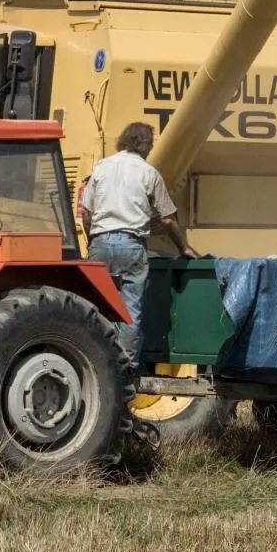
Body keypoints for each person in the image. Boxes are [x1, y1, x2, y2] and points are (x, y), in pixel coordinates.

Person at [77, 121, 198, 367]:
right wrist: (183, 247)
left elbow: (86, 213)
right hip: (132, 245)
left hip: (100, 243)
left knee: (97, 309)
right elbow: (167, 219)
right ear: (145, 145)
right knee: (130, 310)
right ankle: (125, 370)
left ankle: (95, 365)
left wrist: (95, 242)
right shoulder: (148, 173)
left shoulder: (101, 167)